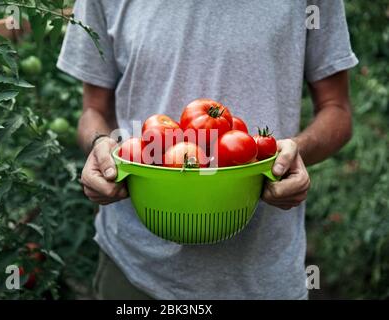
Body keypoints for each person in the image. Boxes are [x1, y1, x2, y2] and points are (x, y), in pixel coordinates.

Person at [57, 0, 358, 299]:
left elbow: (337, 110)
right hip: (135, 270)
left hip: (263, 274)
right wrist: (100, 144)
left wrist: (292, 154)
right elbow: (93, 110)